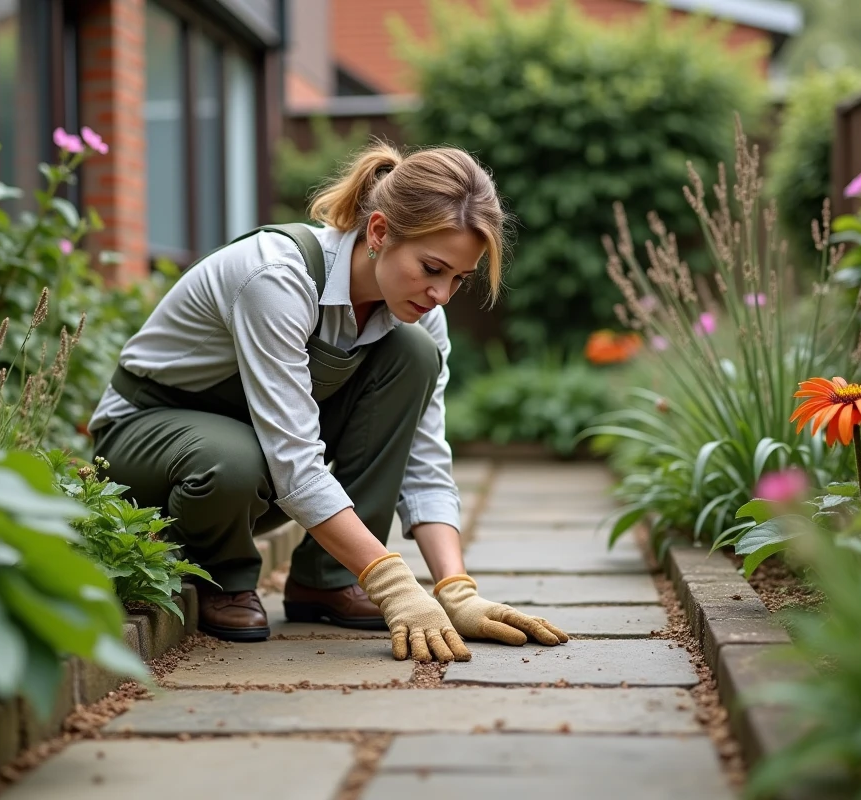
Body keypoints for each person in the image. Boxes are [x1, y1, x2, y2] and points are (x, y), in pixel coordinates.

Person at [88, 141, 568, 662]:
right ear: (380, 232)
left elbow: (424, 458)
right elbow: (293, 462)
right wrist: (396, 586)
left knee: (414, 354)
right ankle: (221, 576)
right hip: (146, 445)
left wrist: (456, 589)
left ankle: (328, 580)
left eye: (457, 278)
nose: (442, 294)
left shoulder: (421, 314)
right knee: (233, 459)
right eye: (431, 268)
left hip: (254, 461)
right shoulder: (276, 277)